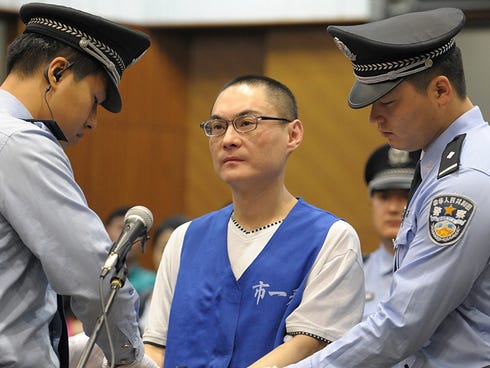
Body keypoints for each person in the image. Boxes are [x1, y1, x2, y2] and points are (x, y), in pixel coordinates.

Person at [286, 7, 490, 367]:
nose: (374, 117)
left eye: (388, 103)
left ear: (441, 90)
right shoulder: (446, 162)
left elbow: (402, 324)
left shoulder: (464, 181)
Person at [143, 75, 365, 367]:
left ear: (293, 134)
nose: (228, 140)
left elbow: (310, 348)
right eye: (218, 127)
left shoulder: (331, 239)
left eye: (247, 123)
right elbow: (156, 346)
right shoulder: (184, 239)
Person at [0, 2, 156, 367]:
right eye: (94, 101)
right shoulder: (22, 143)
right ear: (56, 73)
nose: (92, 122)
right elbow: (94, 275)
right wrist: (129, 357)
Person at [362, 144, 418, 319]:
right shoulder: (353, 274)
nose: (393, 208)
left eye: (406, 196)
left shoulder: (446, 271)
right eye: (384, 197)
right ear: (371, 201)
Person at [105, 205, 156, 324]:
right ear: (105, 231)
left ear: (144, 242)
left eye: (136, 232)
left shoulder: (152, 282)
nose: (130, 237)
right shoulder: (96, 274)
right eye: (123, 228)